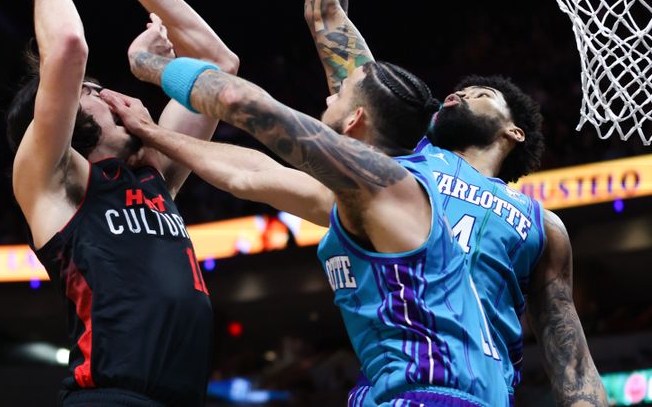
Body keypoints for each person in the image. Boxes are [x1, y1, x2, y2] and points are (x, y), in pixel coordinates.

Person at [303, 0, 608, 405]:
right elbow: (325, 10)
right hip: (400, 386)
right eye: (458, 90)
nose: (458, 93)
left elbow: (573, 366)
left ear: (514, 130)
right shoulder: (401, 154)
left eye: (481, 92)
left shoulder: (544, 226)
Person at [112, 21, 510, 407]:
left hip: (433, 393)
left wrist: (146, 63)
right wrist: (152, 133)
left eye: (340, 96)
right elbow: (249, 174)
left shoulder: (387, 183)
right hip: (413, 390)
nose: (327, 99)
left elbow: (237, 101)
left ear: (355, 121)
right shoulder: (367, 199)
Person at [0, 0, 239, 406]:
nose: (114, 96)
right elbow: (66, 46)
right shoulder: (53, 182)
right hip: (108, 397)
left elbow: (219, 66)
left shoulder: (154, 175)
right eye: (96, 92)